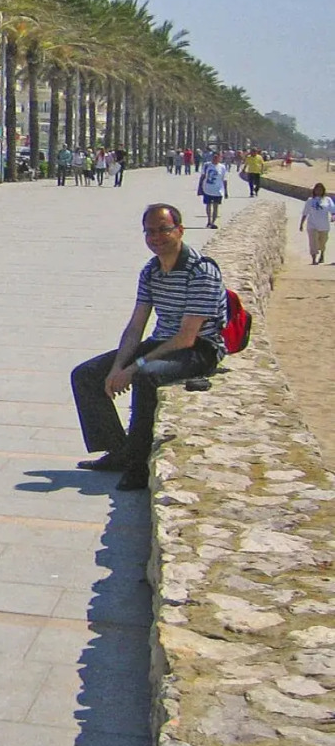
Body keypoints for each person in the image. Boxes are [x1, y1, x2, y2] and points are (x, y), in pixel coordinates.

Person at [71, 204, 225, 491]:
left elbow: (187, 337)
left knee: (146, 376)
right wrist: (117, 367)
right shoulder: (151, 271)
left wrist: (133, 368)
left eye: (164, 229)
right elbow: (135, 326)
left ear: (180, 230)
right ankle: (118, 451)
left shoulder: (201, 271)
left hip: (199, 349)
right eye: (150, 231)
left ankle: (138, 465)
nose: (157, 237)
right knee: (86, 374)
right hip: (162, 342)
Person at [301, 183, 334, 264]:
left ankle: (322, 254)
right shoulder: (310, 200)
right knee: (313, 242)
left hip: (324, 226)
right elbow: (305, 213)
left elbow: (333, 210)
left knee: (322, 243)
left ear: (323, 191)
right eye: (317, 189)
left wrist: (333, 216)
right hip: (312, 225)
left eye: (320, 189)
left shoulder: (327, 200)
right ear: (314, 191)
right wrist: (301, 224)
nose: (318, 191)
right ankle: (314, 259)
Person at [198, 151, 228, 228]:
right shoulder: (207, 165)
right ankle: (209, 220)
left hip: (218, 190)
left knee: (215, 206)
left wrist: (226, 191)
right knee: (208, 205)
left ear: (220, 158)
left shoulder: (222, 167)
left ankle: (213, 222)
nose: (215, 159)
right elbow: (202, 176)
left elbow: (224, 179)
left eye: (217, 157)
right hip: (207, 188)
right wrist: (200, 187)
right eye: (214, 157)